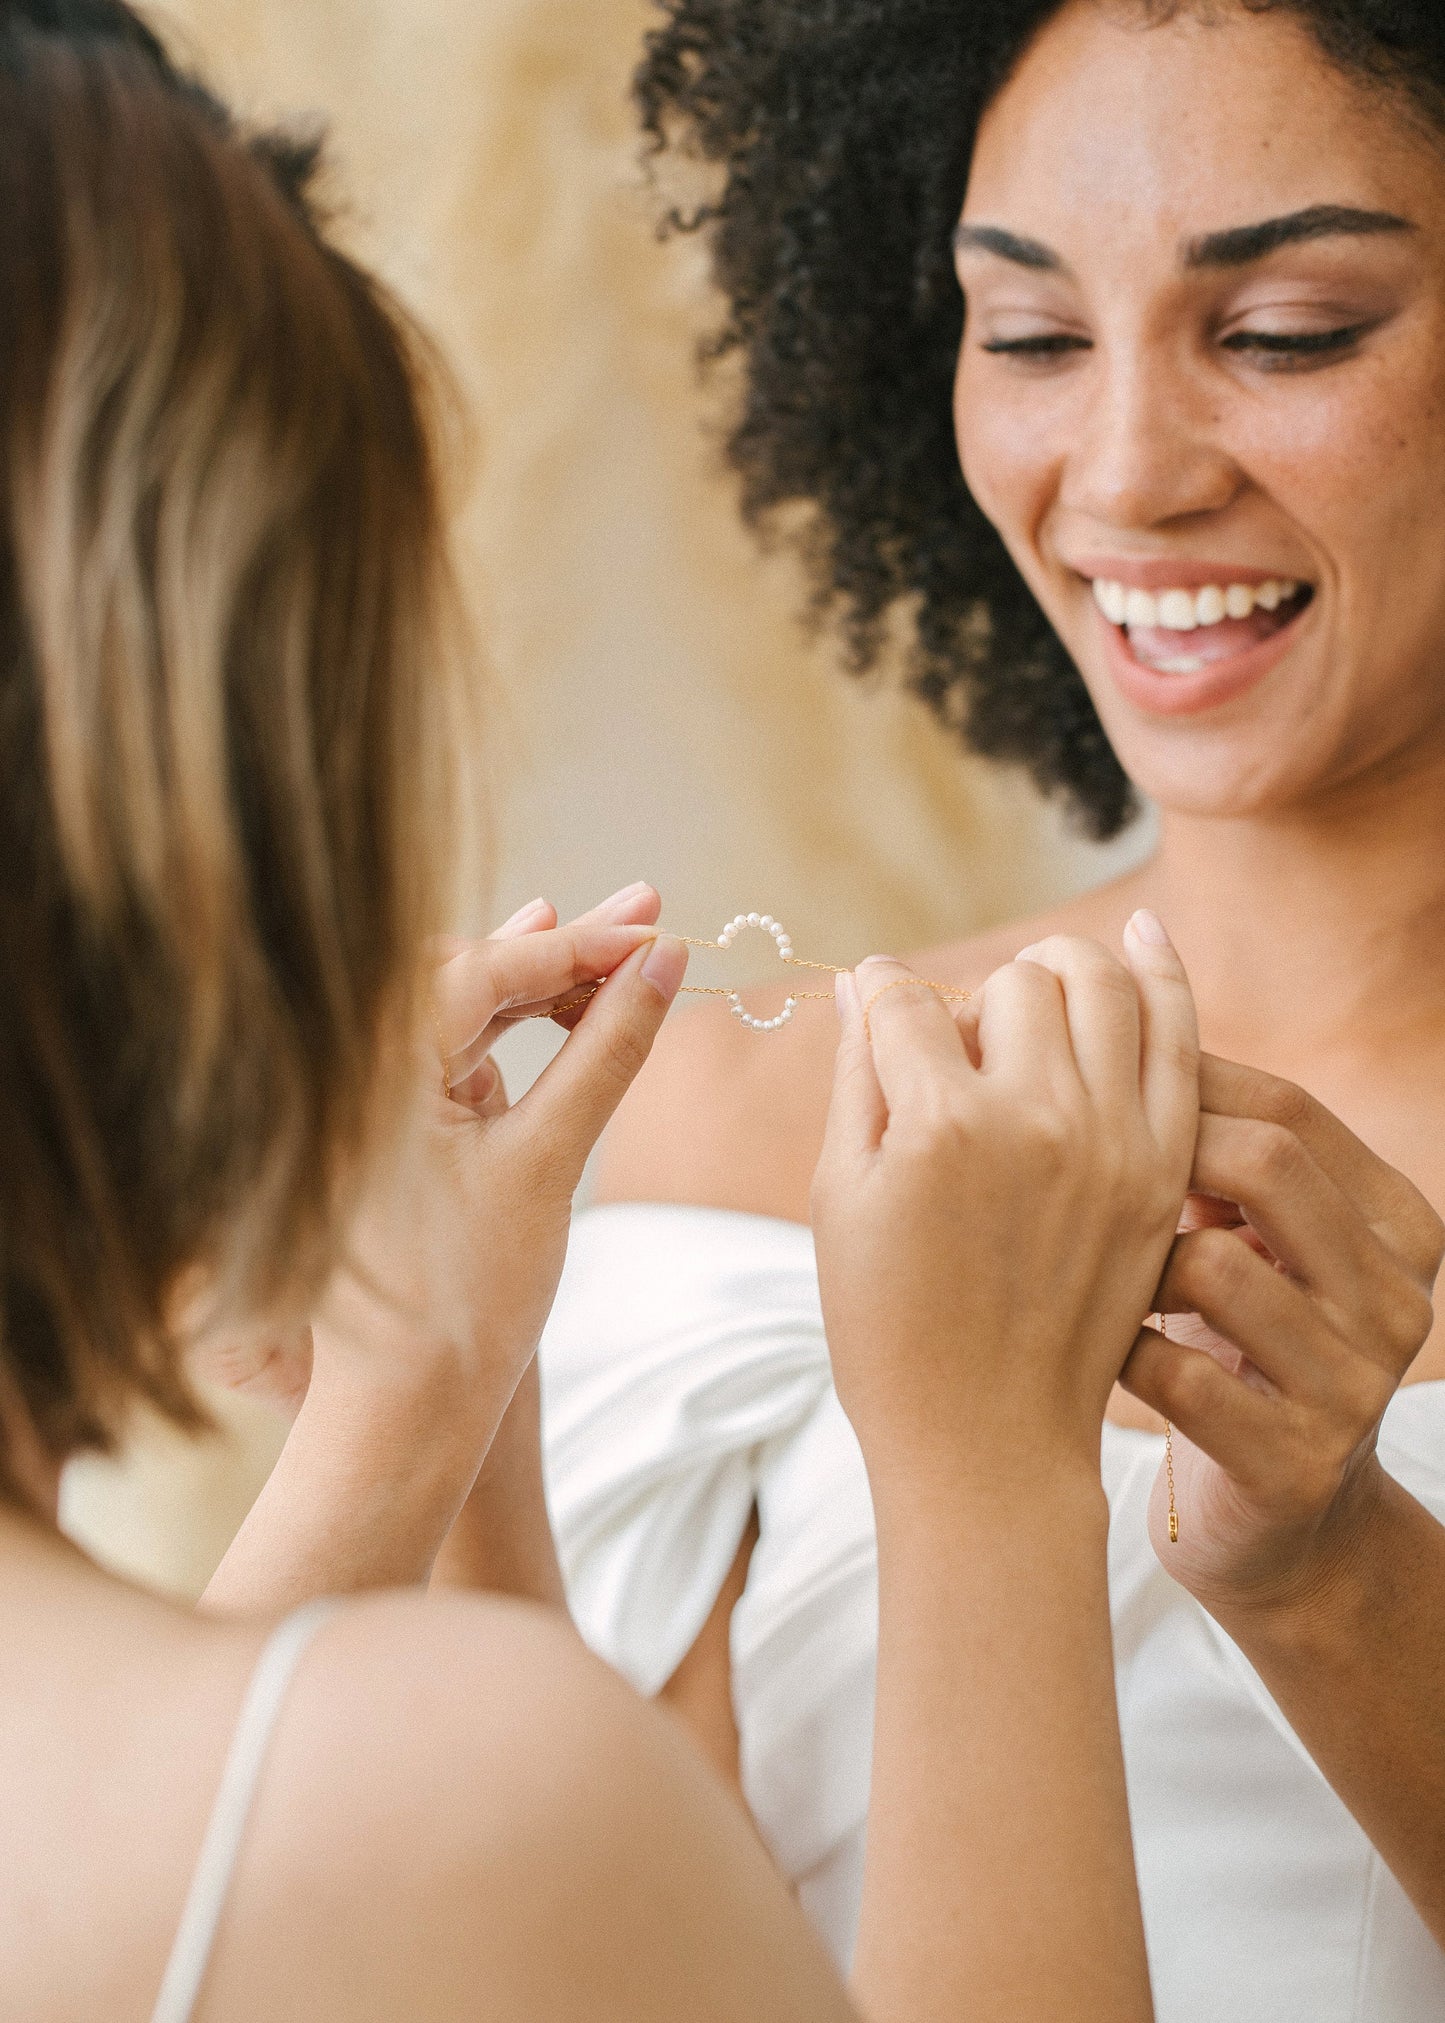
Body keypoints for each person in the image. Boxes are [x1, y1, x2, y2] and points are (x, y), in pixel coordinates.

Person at [0, 4, 1200, 2020]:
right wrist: (993, 1484)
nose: (1140, 464)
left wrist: (435, 1422)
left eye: (1288, 330)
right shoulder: (457, 1801)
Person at [541, 3, 1445, 2019]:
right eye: (1030, 338)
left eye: (1288, 330)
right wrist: (424, 1384)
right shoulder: (736, 1132)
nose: (1123, 469)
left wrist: (1338, 1566)